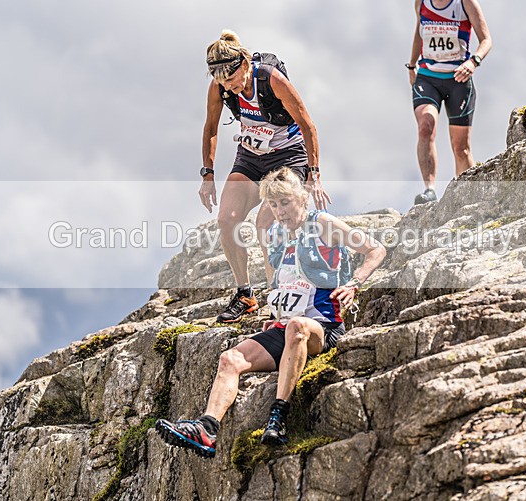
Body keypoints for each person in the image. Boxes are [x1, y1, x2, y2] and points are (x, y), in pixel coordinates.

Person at [156, 167, 386, 458]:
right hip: (286, 327)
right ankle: (207, 429)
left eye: (285, 202)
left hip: (322, 326)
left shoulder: (323, 224)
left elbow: (375, 250)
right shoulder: (277, 235)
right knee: (230, 359)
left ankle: (278, 417)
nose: (280, 211)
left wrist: (354, 284)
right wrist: (277, 314)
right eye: (274, 205)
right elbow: (282, 281)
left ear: (302, 198)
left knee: (297, 327)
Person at [199, 30, 330, 324]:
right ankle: (245, 295)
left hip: (287, 156)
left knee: (265, 223)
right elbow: (210, 128)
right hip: (250, 156)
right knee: (226, 218)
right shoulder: (219, 87)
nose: (229, 89)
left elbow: (308, 125)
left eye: (232, 81)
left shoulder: (271, 79)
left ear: (244, 64)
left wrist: (315, 175)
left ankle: (278, 295)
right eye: (223, 84)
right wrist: (208, 174)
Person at [407, 0, 491, 205]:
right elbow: (419, 34)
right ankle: (429, 190)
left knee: (461, 148)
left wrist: (473, 62)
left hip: (458, 79)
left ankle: (467, 196)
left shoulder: (465, 1)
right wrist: (411, 65)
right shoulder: (421, 1)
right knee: (426, 126)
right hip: (428, 77)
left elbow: (486, 39)